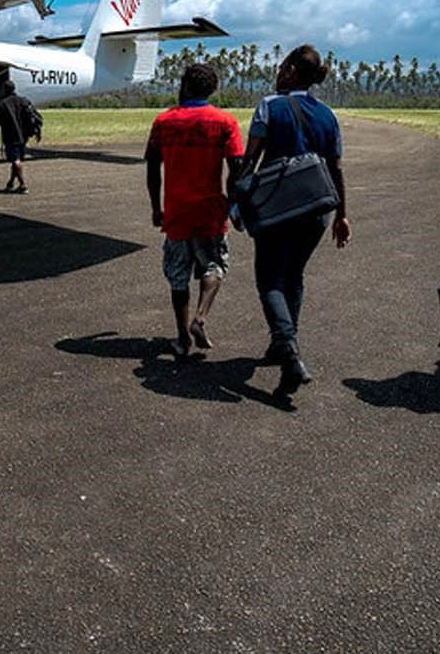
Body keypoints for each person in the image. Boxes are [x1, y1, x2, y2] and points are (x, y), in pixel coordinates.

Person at [235, 45, 350, 401]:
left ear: (291, 71)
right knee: (294, 275)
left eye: (283, 66)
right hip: (317, 210)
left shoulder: (270, 105)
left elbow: (249, 160)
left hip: (277, 208)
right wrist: (342, 214)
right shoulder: (328, 115)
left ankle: (289, 351)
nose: (278, 71)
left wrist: (238, 202)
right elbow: (336, 168)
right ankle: (282, 344)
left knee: (269, 279)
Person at [145, 63, 245, 359]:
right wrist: (232, 201)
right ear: (211, 89)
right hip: (211, 211)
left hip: (177, 212)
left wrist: (156, 206)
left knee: (178, 276)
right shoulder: (225, 122)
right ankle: (200, 318)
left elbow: (153, 167)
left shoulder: (164, 122)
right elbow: (236, 166)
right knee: (214, 265)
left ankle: (181, 338)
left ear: (185, 85)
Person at [0, 81, 41, 193]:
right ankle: (11, 182)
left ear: (5, 90)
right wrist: (36, 132)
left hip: (11, 136)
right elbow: (33, 116)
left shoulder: (2, 104)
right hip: (23, 136)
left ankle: (23, 185)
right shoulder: (24, 101)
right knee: (16, 160)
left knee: (15, 160)